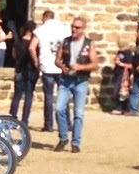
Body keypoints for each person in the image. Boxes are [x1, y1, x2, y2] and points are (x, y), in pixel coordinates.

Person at [54, 16, 97, 153]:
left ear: (83, 29)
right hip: (66, 80)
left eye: (77, 27)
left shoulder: (89, 44)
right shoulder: (65, 41)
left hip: (81, 81)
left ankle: (76, 142)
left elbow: (95, 64)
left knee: (78, 113)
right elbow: (57, 60)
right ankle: (63, 138)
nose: (74, 29)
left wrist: (80, 67)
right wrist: (62, 66)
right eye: (72, 26)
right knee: (59, 109)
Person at [34, 10, 70, 132]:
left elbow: (31, 47)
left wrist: (36, 62)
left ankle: (48, 125)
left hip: (47, 66)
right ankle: (67, 124)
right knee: (64, 96)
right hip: (61, 66)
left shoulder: (41, 30)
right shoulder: (65, 29)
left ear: (44, 18)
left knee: (49, 96)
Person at [10, 20, 40, 126]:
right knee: (28, 95)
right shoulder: (35, 43)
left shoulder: (18, 42)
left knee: (17, 95)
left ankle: (12, 117)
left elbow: (14, 55)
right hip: (31, 70)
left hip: (19, 70)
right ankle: (25, 120)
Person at [110, 34, 133, 115]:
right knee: (118, 91)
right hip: (118, 73)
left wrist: (121, 64)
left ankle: (121, 108)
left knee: (121, 91)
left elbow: (130, 65)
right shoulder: (120, 52)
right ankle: (122, 108)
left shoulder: (128, 53)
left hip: (124, 75)